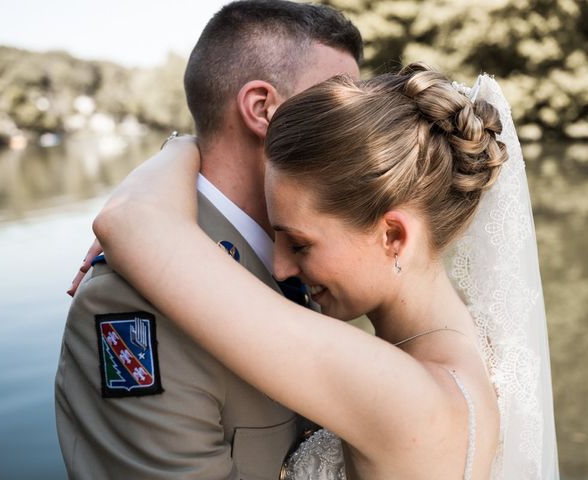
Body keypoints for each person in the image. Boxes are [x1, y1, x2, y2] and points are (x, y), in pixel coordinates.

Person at [91, 63, 560, 479]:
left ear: (394, 236)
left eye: (299, 243)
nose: (279, 266)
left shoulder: (393, 389)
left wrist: (186, 146)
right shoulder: (480, 345)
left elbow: (129, 220)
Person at [54, 1, 362, 479]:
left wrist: (179, 148)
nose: (355, 131)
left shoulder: (314, 254)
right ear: (263, 109)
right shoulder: (131, 298)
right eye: (334, 105)